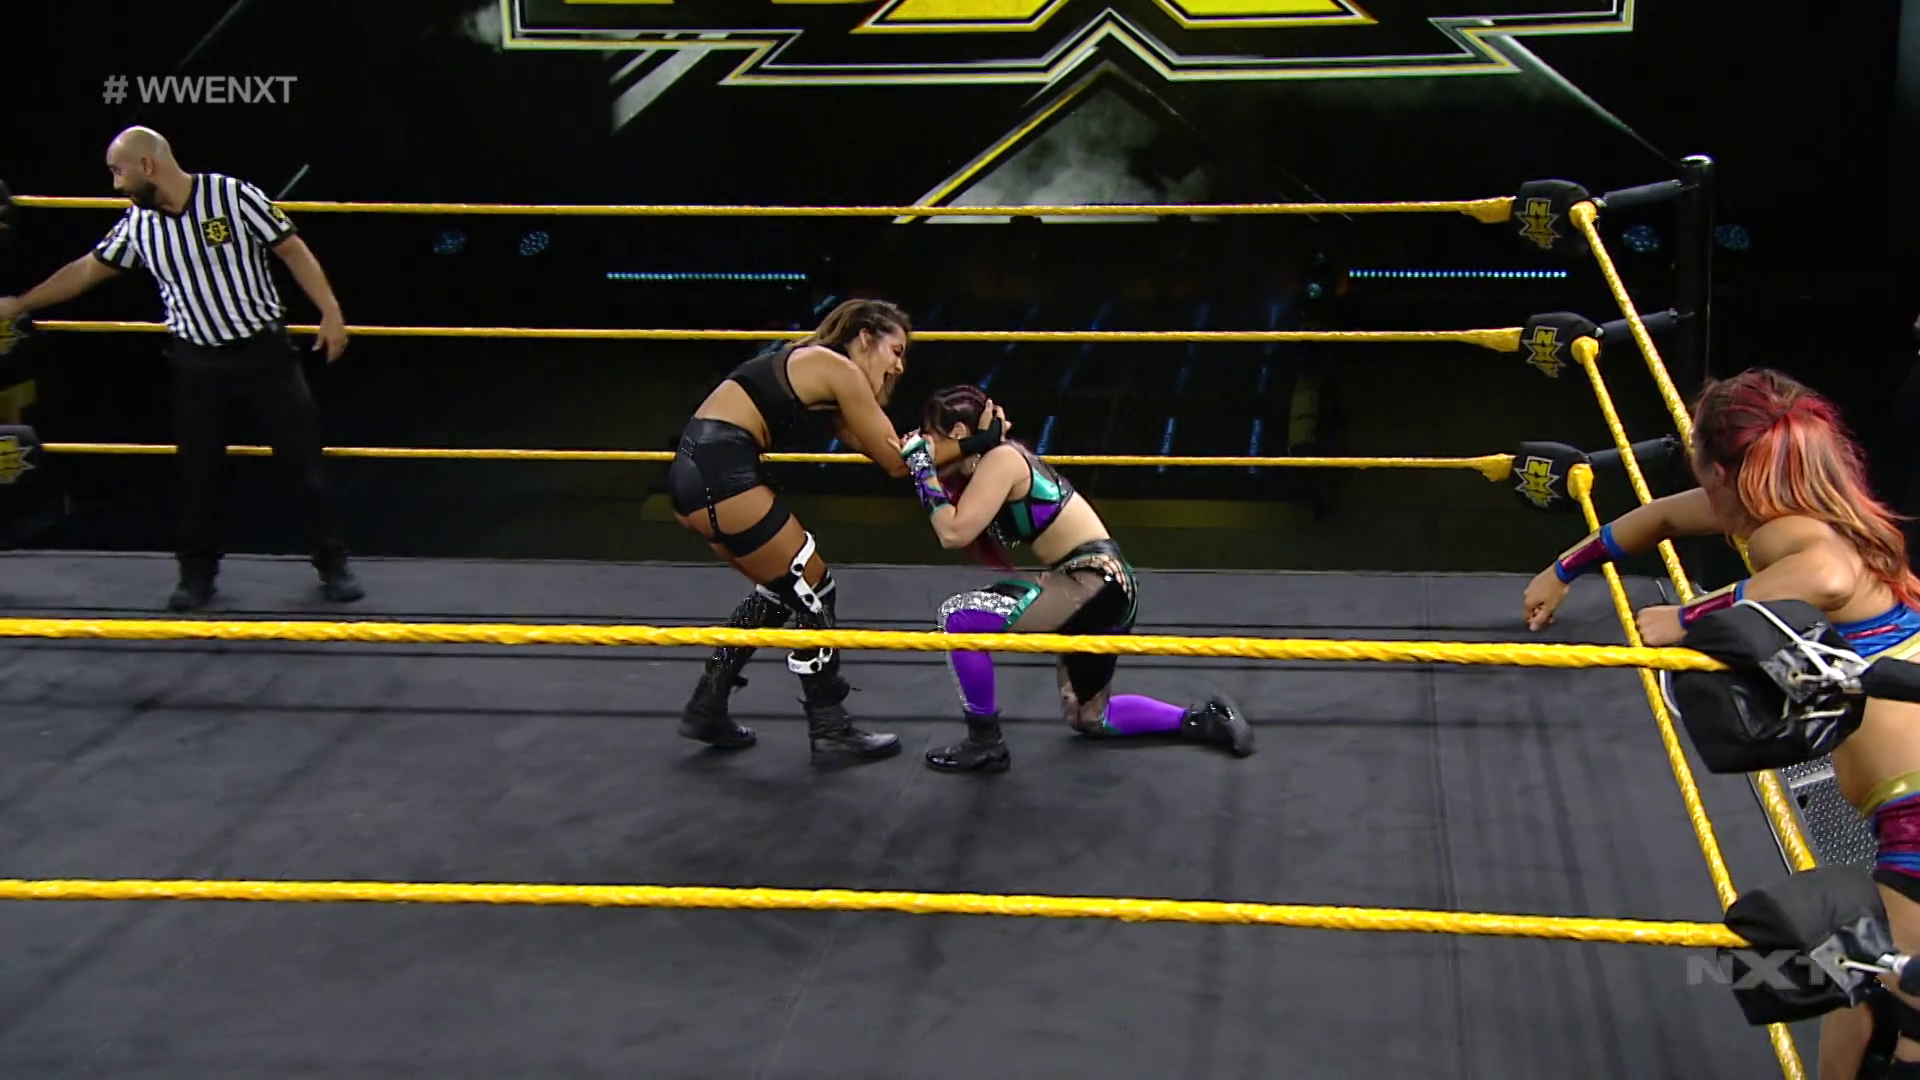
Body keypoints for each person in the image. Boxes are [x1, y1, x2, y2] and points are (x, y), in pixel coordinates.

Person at [1521, 368, 1920, 1079]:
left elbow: (1828, 576)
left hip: (1915, 818)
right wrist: (1565, 568)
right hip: (1901, 807)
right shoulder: (1793, 508)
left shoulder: (1796, 538)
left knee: (1888, 1000)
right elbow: (1660, 519)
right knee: (1853, 980)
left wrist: (1693, 615)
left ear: (1721, 470)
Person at [0, 126, 360, 612]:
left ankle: (333, 564)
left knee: (303, 462)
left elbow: (291, 248)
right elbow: (86, 270)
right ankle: (196, 575)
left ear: (148, 166)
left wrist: (331, 312)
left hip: (264, 354)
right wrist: (22, 303)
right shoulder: (138, 224)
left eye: (119, 172)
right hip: (196, 362)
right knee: (197, 474)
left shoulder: (232, 196)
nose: (116, 185)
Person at [899, 385, 1254, 773]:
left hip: (1093, 582)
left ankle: (985, 743)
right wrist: (937, 460)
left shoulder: (1002, 460)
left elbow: (952, 533)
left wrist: (921, 465)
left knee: (959, 617)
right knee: (1089, 717)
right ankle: (1203, 720)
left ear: (957, 433)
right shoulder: (994, 461)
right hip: (1103, 587)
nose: (925, 442)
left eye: (929, 434)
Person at [667, 298, 913, 763]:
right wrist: (976, 443)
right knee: (815, 587)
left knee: (783, 590)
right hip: (723, 475)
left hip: (695, 474)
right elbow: (901, 463)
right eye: (895, 350)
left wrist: (948, 455)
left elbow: (885, 453)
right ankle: (830, 727)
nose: (899, 366)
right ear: (865, 337)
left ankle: (707, 706)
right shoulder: (837, 368)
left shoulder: (811, 367)